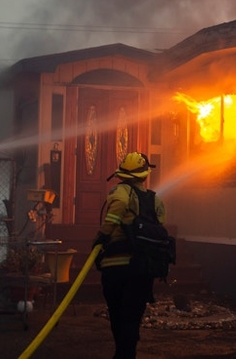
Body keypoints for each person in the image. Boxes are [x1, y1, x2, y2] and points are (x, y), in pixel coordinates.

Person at [93, 152, 165, 359]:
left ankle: (122, 354)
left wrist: (102, 236)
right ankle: (127, 353)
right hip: (143, 267)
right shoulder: (156, 200)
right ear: (144, 176)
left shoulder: (120, 191)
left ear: (122, 174)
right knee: (133, 316)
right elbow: (159, 222)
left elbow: (117, 209)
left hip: (116, 267)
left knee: (117, 314)